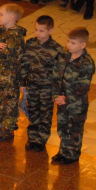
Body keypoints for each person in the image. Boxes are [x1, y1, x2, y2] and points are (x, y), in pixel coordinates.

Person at [20, 15, 65, 153]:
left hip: (47, 88)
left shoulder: (57, 49)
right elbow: (24, 64)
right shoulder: (30, 43)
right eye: (36, 30)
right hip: (32, 85)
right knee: (33, 112)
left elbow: (59, 73)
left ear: (50, 31)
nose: (38, 34)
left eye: (41, 31)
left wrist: (57, 91)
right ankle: (32, 138)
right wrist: (22, 83)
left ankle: (41, 140)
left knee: (45, 114)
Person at [52, 27, 96, 164]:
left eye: (73, 43)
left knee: (74, 129)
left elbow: (83, 86)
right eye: (68, 42)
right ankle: (63, 151)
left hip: (76, 103)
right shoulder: (64, 57)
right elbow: (56, 77)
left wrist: (66, 98)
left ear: (83, 45)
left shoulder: (87, 63)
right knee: (62, 126)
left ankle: (72, 154)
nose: (69, 45)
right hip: (62, 100)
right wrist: (57, 95)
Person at [0, 3, 26, 142]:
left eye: (1, 14)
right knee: (0, 100)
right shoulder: (1, 31)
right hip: (0, 75)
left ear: (11, 17)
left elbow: (8, 51)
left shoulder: (16, 36)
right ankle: (1, 123)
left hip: (10, 76)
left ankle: (9, 128)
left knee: (9, 102)